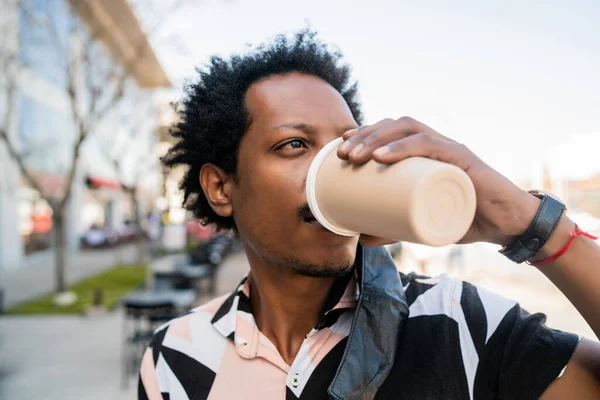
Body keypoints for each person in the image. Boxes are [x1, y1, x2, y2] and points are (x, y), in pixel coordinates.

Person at [139, 29, 600, 399]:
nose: (335, 168)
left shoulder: (456, 320)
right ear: (221, 188)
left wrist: (527, 223)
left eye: (344, 144)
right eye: (294, 144)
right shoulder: (175, 357)